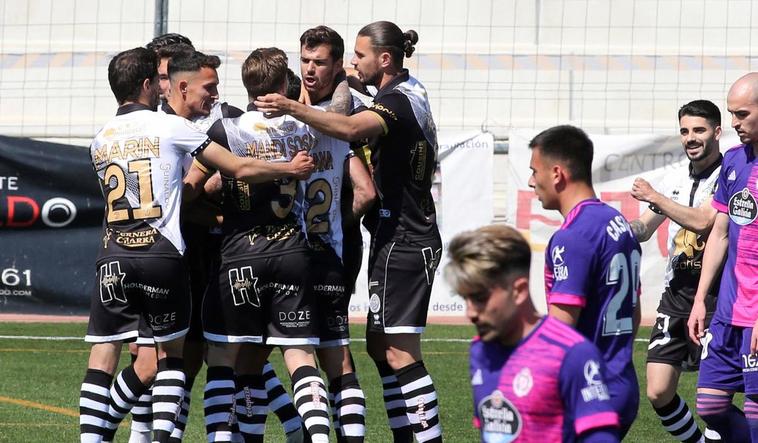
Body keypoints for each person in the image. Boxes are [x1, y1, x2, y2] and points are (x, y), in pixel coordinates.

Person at [79, 47, 314, 443]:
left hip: (114, 252)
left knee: (110, 352)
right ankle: (155, 436)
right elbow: (233, 169)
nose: (216, 95)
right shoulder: (174, 128)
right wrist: (287, 169)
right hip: (166, 253)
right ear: (153, 84)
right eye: (210, 86)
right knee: (174, 358)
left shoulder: (99, 139)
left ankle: (97, 435)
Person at [255, 21, 443, 443]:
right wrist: (337, 82)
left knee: (392, 351)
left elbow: (352, 132)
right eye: (305, 61)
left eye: (357, 58)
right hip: (396, 237)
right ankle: (405, 436)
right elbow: (349, 93)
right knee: (378, 348)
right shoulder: (407, 90)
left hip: (405, 237)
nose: (353, 66)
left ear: (386, 59)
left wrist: (291, 106)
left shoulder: (391, 102)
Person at [199, 47, 338, 443]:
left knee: (228, 357)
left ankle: (227, 438)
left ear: (246, 85)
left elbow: (196, 184)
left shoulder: (227, 129)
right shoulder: (304, 130)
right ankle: (317, 435)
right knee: (299, 357)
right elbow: (331, 113)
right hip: (293, 250)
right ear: (282, 86)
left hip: (242, 252)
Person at [445, 224, 621, 442]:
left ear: (518, 291)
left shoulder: (572, 354)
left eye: (480, 298)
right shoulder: (480, 350)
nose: (470, 313)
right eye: (466, 299)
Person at [528, 125, 641, 437]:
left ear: (557, 173)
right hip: (621, 383)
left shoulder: (572, 236)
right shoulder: (617, 223)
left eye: (534, 171)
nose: (530, 181)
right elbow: (634, 309)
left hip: (588, 393)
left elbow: (562, 327)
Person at [297, 25, 376, 442]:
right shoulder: (299, 104)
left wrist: (332, 227)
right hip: (304, 251)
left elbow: (365, 191)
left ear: (337, 64)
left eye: (320, 62)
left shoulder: (351, 114)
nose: (310, 69)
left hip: (328, 251)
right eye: (305, 60)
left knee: (327, 352)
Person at [630, 100, 723, 443]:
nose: (690, 138)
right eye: (684, 131)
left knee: (714, 400)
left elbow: (703, 221)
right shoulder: (673, 177)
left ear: (717, 132)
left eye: (698, 130)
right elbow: (645, 226)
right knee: (657, 391)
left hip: (717, 298)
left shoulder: (729, 176)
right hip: (676, 297)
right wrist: (612, 229)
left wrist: (655, 195)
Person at [687, 73, 758, 442]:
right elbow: (718, 233)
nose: (733, 123)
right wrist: (701, 300)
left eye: (742, 114)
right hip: (729, 311)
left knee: (756, 410)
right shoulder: (733, 161)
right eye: (731, 114)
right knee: (710, 404)